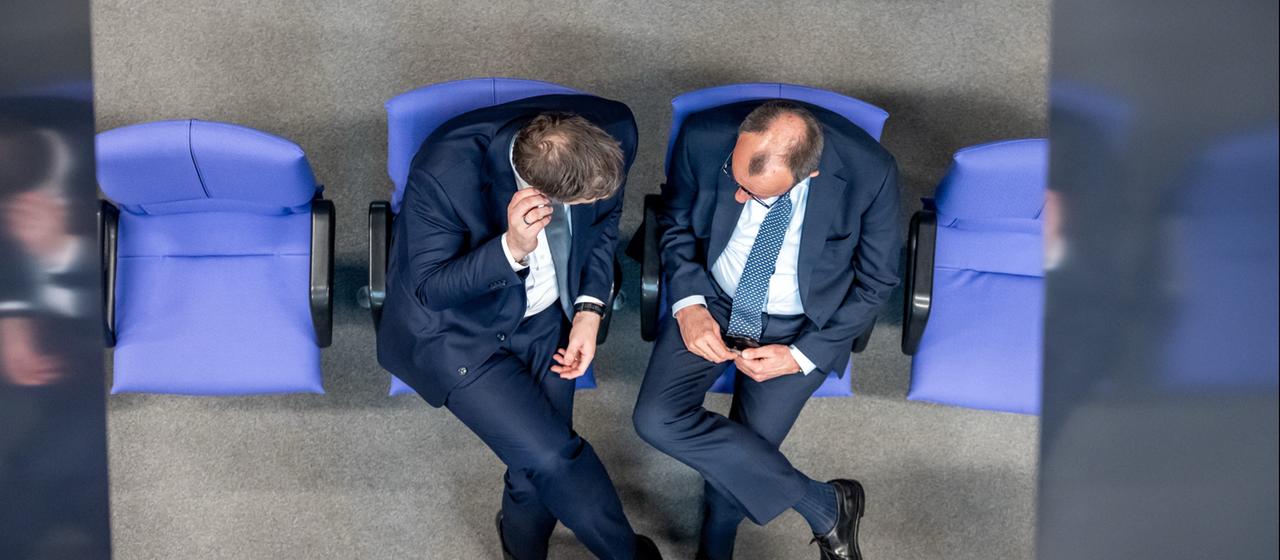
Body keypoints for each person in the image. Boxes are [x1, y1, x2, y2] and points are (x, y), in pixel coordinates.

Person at [376, 94, 660, 560]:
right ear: (538, 192)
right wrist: (511, 247)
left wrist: (589, 313)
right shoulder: (442, 173)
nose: (598, 203)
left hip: (547, 320)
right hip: (456, 334)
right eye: (584, 200)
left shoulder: (615, 131)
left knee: (532, 466)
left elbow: (602, 229)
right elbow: (430, 289)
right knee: (553, 456)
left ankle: (520, 551)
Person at [632, 100, 901, 560]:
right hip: (713, 299)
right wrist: (689, 303)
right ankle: (823, 503)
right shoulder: (704, 137)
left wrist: (801, 355)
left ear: (808, 175)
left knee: (747, 455)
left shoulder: (870, 172)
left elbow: (877, 283)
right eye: (736, 182)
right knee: (654, 420)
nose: (738, 197)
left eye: (755, 195)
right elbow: (673, 221)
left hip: (800, 327)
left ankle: (715, 548)